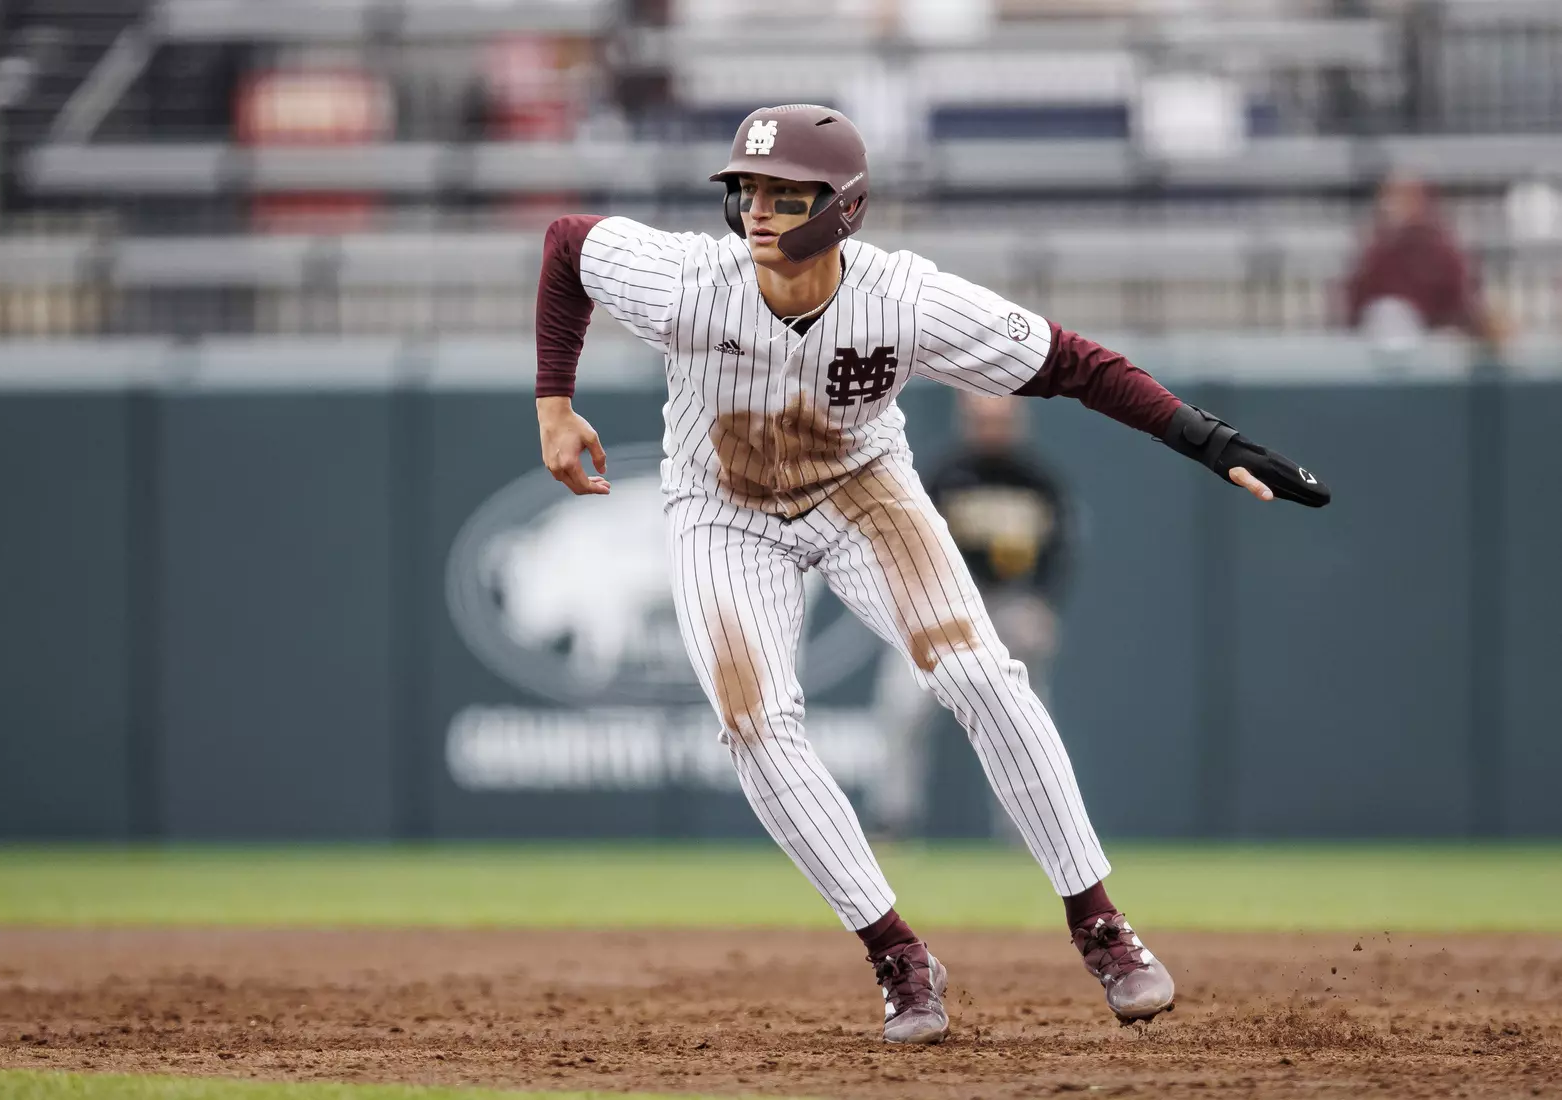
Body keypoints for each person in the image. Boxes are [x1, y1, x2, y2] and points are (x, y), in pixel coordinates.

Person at [533, 104, 1329, 1045]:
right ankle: (897, 954)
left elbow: (1072, 362)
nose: (757, 212)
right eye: (747, 190)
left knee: (982, 675)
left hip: (864, 492)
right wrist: (553, 401)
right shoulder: (686, 281)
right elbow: (567, 245)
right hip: (722, 511)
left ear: (843, 208)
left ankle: (1100, 925)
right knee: (754, 726)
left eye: (786, 195)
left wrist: (1209, 440)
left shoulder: (901, 298)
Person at [868, 392, 1074, 840]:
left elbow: (1059, 552)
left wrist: (1044, 603)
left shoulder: (1036, 480)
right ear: (966, 421)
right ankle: (893, 819)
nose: (991, 430)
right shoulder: (945, 475)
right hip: (948, 603)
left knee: (1023, 720)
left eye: (1000, 420)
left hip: (1010, 602)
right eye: (982, 420)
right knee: (902, 708)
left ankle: (1032, 827)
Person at [1346, 172, 1506, 350]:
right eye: (1391, 197)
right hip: (1384, 341)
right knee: (1389, 312)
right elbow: (1356, 306)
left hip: (1435, 342)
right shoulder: (1376, 251)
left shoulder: (1443, 250)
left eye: (1404, 197)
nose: (1391, 205)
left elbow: (1461, 304)